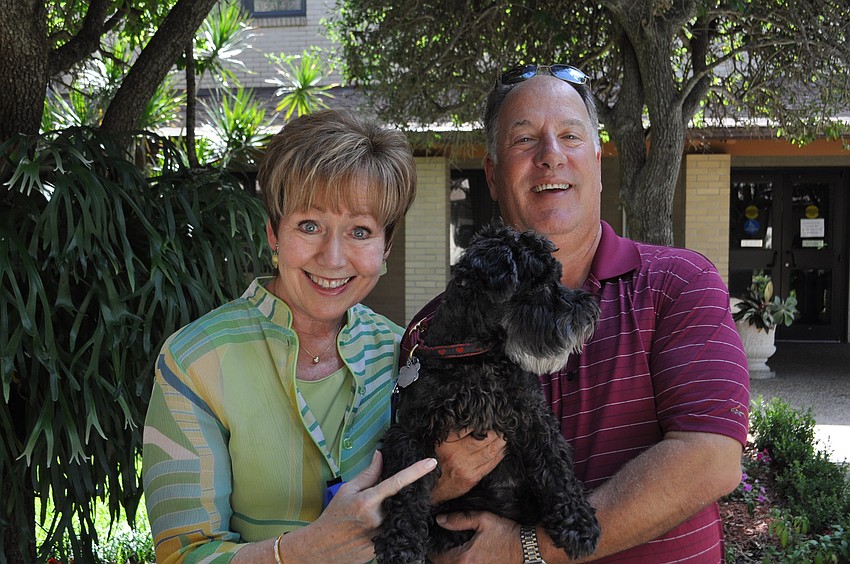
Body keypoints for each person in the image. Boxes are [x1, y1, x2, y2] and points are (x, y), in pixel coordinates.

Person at [408, 65, 751, 563]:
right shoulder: (434, 331)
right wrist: (436, 485)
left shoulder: (679, 283)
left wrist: (528, 550)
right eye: (525, 140)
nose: (551, 156)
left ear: (596, 157)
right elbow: (401, 490)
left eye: (570, 136)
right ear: (493, 174)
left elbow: (711, 458)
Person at [143, 109, 468, 563]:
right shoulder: (195, 360)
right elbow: (183, 555)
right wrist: (302, 552)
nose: (333, 259)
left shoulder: (405, 354)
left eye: (360, 231)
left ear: (385, 246)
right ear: (273, 233)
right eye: (309, 225)